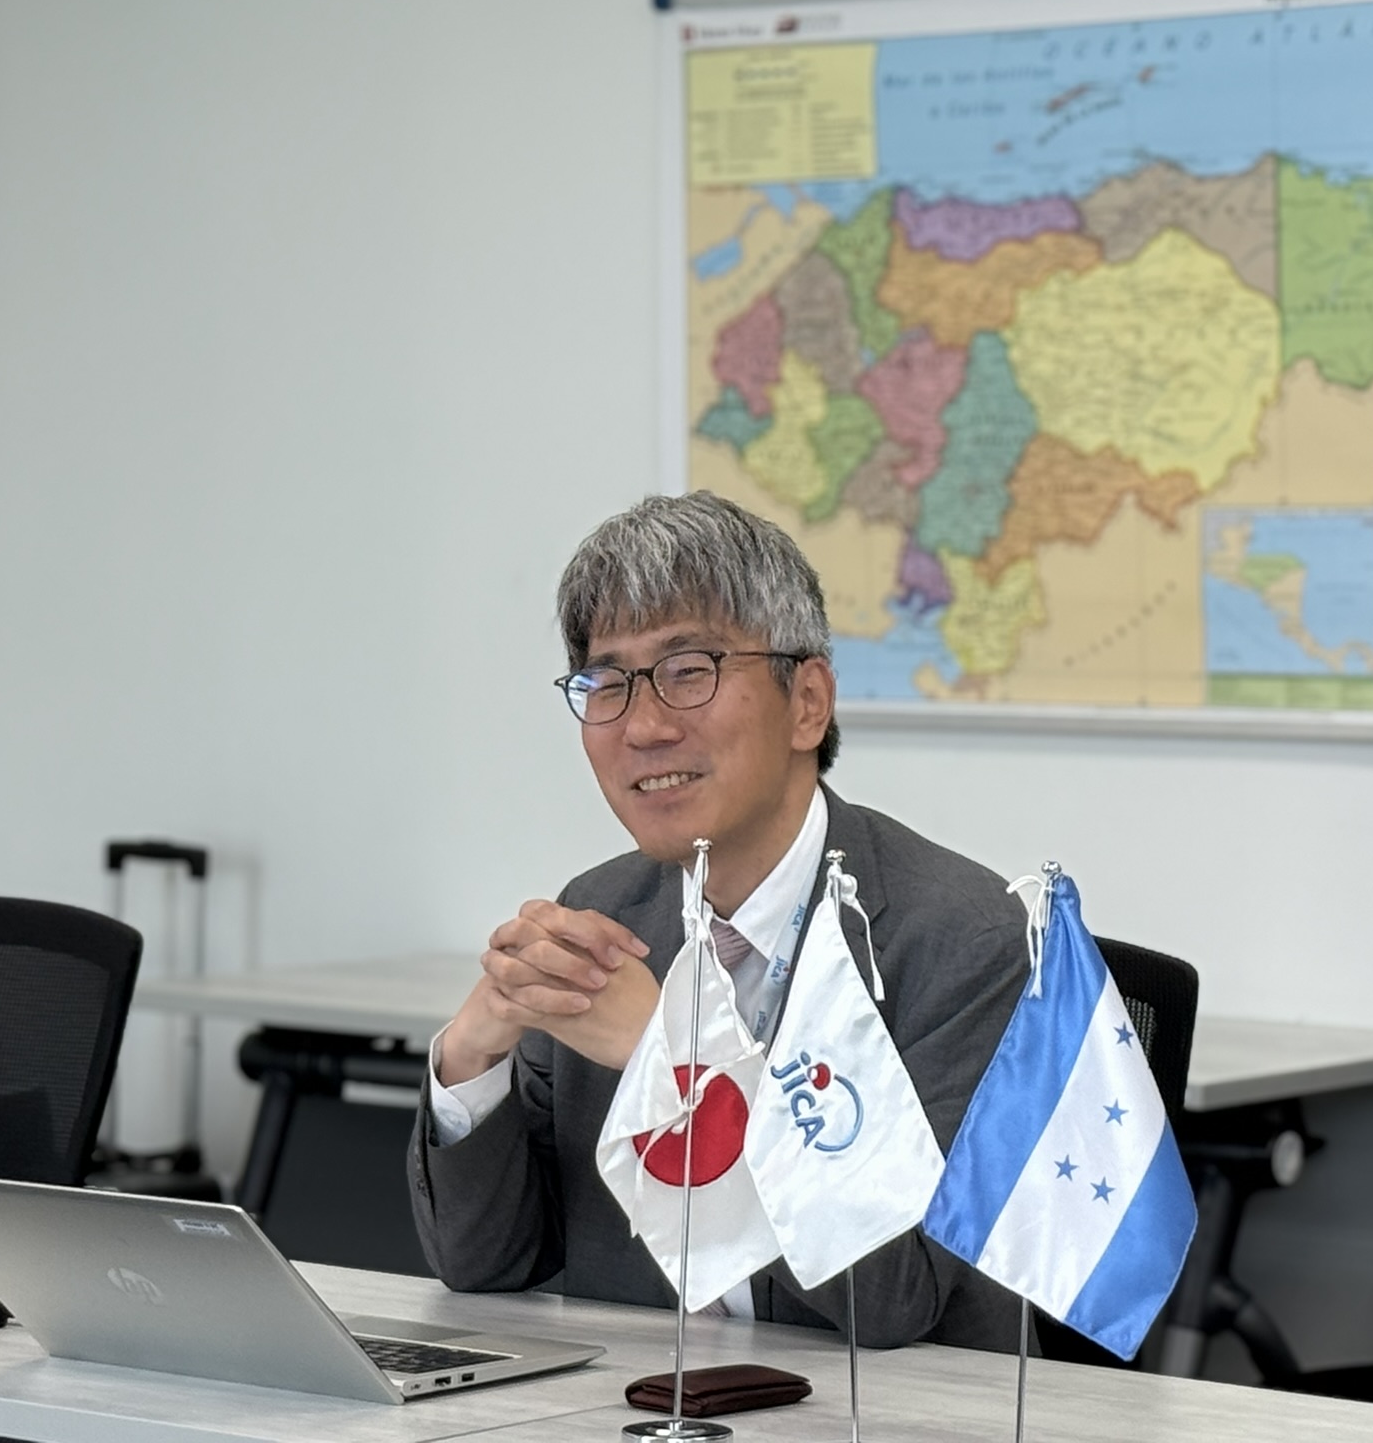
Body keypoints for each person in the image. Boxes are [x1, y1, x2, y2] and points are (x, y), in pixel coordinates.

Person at [407, 491, 1027, 1351]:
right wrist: (473, 1062)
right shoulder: (604, 915)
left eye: (688, 670)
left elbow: (896, 1298)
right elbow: (487, 1264)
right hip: (636, 1397)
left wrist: (672, 1056)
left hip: (881, 1405)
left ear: (807, 702)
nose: (644, 726)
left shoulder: (962, 940)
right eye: (609, 683)